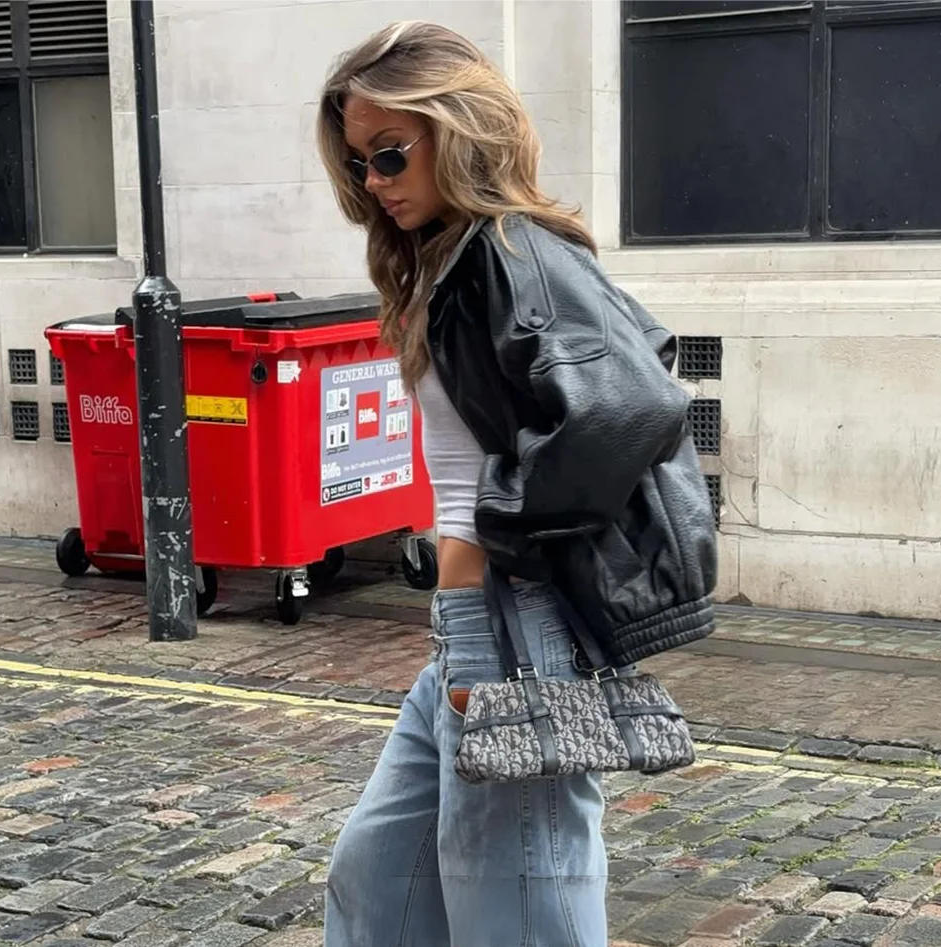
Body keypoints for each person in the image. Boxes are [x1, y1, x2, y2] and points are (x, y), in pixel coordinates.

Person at [316, 20, 717, 947]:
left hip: (510, 616)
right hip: (471, 624)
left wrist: (476, 542)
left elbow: (627, 402)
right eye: (358, 164)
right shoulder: (453, 258)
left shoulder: (511, 248)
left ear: (458, 127)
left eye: (388, 154)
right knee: (379, 879)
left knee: (520, 903)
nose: (374, 184)